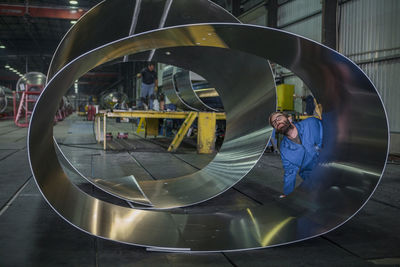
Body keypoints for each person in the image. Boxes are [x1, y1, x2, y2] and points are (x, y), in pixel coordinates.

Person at [269, 111, 323, 198]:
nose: (277, 122)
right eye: (274, 123)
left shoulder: (311, 123)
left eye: (279, 118)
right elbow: (290, 172)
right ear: (276, 130)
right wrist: (287, 194)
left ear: (289, 119)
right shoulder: (284, 149)